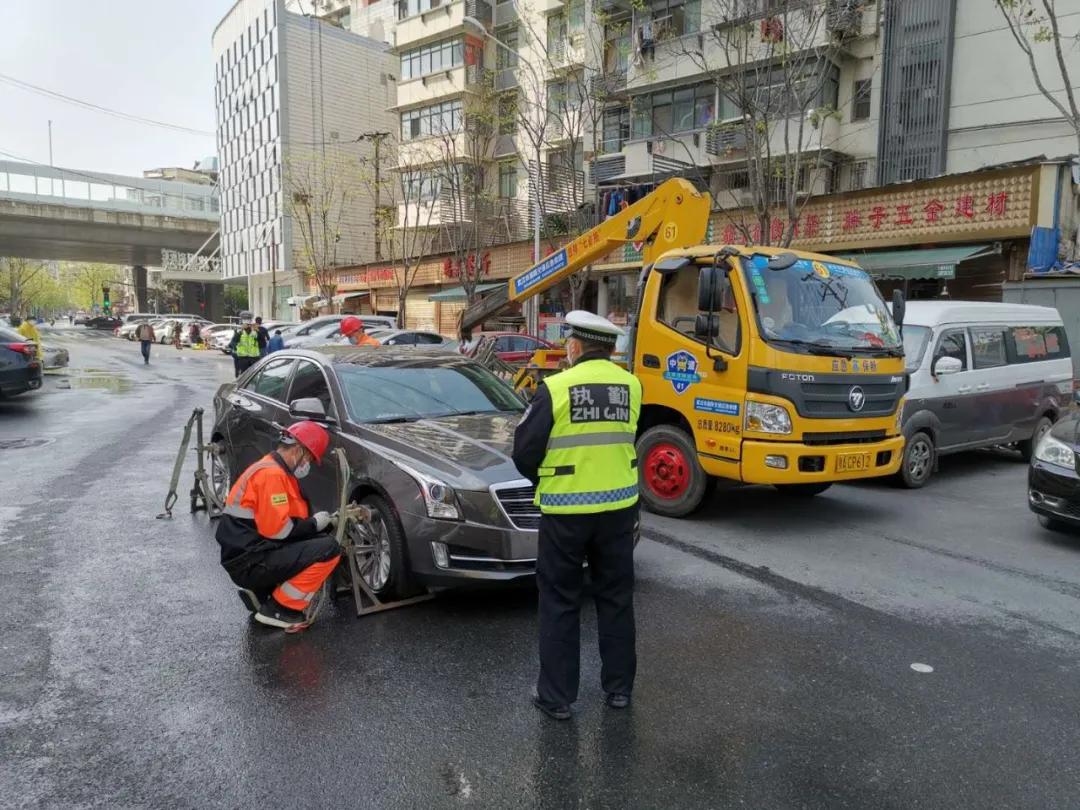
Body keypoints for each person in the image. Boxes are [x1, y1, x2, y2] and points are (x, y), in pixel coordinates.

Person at [511, 310, 642, 721]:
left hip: (567, 510)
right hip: (619, 508)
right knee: (616, 598)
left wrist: (547, 477)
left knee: (560, 600)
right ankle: (619, 689)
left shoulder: (556, 387)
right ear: (610, 348)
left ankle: (557, 697)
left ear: (574, 346)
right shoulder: (632, 385)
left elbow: (525, 452)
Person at [215, 421, 341, 632]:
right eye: (309, 458)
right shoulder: (271, 475)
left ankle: (263, 592)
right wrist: (314, 524)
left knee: (318, 541)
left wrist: (317, 527)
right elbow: (279, 531)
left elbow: (284, 523)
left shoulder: (273, 469)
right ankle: (280, 608)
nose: (307, 464)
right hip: (250, 562)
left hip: (249, 553)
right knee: (329, 549)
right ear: (299, 450)